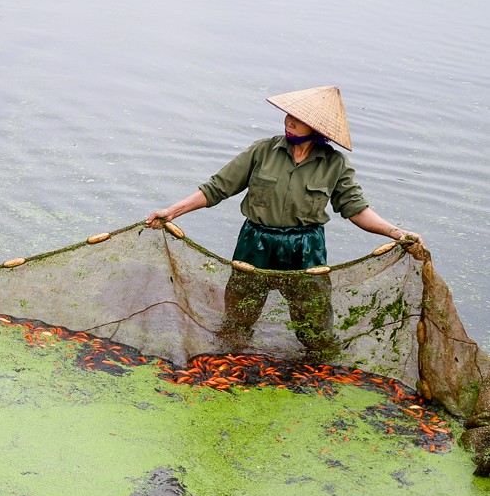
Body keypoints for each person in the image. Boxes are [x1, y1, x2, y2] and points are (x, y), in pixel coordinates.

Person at [147, 86, 420, 363]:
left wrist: (396, 232)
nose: (289, 120)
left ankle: (323, 369)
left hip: (306, 248)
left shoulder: (335, 164)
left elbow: (356, 209)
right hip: (255, 243)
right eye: (289, 114)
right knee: (238, 320)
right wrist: (173, 211)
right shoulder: (263, 151)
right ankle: (229, 363)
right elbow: (217, 188)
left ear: (316, 128)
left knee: (315, 326)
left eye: (298, 118)